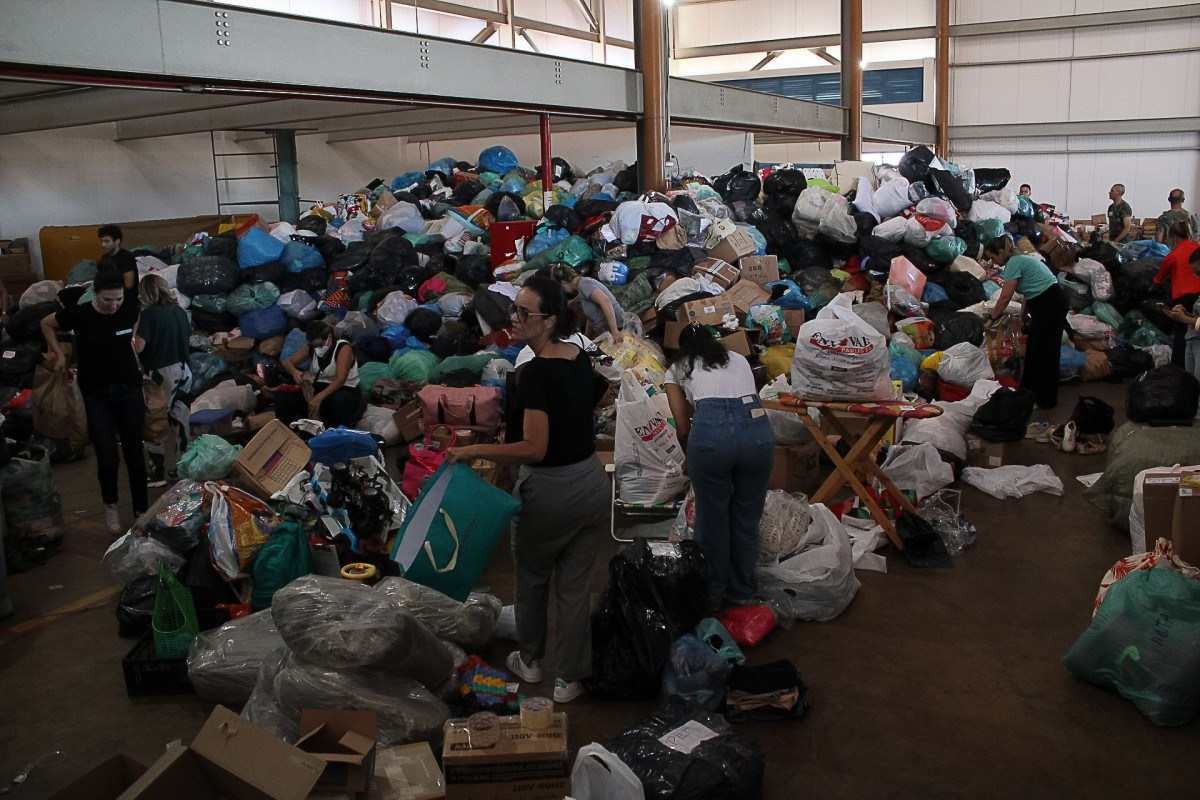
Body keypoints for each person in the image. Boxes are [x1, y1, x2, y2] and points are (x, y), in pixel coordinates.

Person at [447, 275, 608, 704]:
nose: (513, 318)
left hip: (551, 491)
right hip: (592, 483)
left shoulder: (535, 374)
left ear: (549, 320)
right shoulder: (578, 355)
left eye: (523, 313)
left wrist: (476, 451)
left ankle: (533, 661)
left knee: (533, 578)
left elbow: (535, 448)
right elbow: (595, 394)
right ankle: (569, 678)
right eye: (513, 309)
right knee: (574, 587)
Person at [664, 324, 774, 611]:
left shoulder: (678, 367)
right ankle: (742, 592)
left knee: (712, 521)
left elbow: (682, 425)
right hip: (758, 433)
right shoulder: (738, 359)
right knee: (746, 518)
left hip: (712, 439)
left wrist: (691, 455)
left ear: (683, 347)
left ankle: (713, 596)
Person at [41, 268, 146, 534]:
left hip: (129, 388)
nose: (113, 306)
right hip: (96, 393)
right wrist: (59, 353)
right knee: (107, 454)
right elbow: (47, 323)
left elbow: (135, 323)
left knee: (134, 451)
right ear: (95, 295)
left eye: (118, 299)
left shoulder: (130, 308)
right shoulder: (80, 314)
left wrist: (133, 342)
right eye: (107, 300)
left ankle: (141, 509)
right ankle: (111, 506)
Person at [983, 236, 1069, 409]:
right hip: (1049, 302)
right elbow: (1028, 295)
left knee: (1044, 352)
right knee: (1036, 351)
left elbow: (1005, 297)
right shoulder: (1021, 260)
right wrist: (1023, 318)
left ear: (1001, 252)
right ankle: (1030, 394)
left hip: (1050, 304)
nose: (994, 262)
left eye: (993, 257)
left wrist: (992, 318)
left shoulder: (1015, 262)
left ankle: (1044, 400)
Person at [134, 274, 192, 486]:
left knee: (154, 421)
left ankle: (157, 472)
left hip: (162, 373)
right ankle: (183, 467)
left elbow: (139, 346)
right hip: (186, 371)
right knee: (180, 420)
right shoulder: (179, 311)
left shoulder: (149, 315)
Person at [282, 321, 363, 428]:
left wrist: (318, 397)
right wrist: (294, 372)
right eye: (315, 345)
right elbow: (287, 362)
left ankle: (332, 430)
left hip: (345, 389)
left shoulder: (343, 348)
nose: (318, 348)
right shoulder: (312, 347)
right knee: (289, 397)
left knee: (338, 401)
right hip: (321, 385)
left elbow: (340, 379)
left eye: (320, 344)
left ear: (329, 337)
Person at [1153, 221, 1200, 367]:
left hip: (1182, 299)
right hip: (1198, 296)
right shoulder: (1197, 248)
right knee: (1195, 332)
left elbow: (1158, 280)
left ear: (1172, 237)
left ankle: (1179, 368)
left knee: (1181, 333)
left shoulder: (1172, 256)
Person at [545, 265, 626, 343]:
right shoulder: (581, 290)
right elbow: (591, 317)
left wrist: (615, 331)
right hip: (607, 333)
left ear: (563, 282)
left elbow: (605, 302)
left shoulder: (585, 284)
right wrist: (587, 338)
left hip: (618, 329)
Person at [1165, 249, 1200, 392]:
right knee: (1192, 384)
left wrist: (1185, 318)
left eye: (1198, 271)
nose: (1196, 276)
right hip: (1193, 339)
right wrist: (1187, 315)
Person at [97, 224, 138, 290]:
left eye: (107, 241)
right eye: (102, 241)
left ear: (117, 241)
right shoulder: (104, 258)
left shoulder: (126, 257)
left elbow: (128, 285)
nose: (103, 245)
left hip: (124, 297)